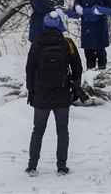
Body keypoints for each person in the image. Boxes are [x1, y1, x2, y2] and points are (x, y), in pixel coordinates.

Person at [24, 11, 82, 177]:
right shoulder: (67, 43)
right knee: (62, 131)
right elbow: (77, 67)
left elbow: (29, 69)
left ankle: (32, 165)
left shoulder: (36, 44)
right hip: (62, 93)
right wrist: (74, 87)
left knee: (38, 130)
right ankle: (62, 166)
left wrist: (32, 91)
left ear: (43, 24)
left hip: (41, 94)